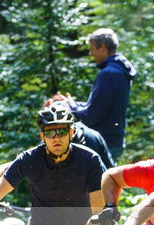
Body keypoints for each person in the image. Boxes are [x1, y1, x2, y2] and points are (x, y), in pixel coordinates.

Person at [56, 28, 136, 161]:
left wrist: (71, 108)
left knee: (100, 181)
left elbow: (91, 116)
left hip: (102, 143)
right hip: (114, 140)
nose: (90, 53)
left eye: (93, 48)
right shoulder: (120, 70)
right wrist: (72, 103)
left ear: (103, 47)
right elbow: (96, 106)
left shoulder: (109, 74)